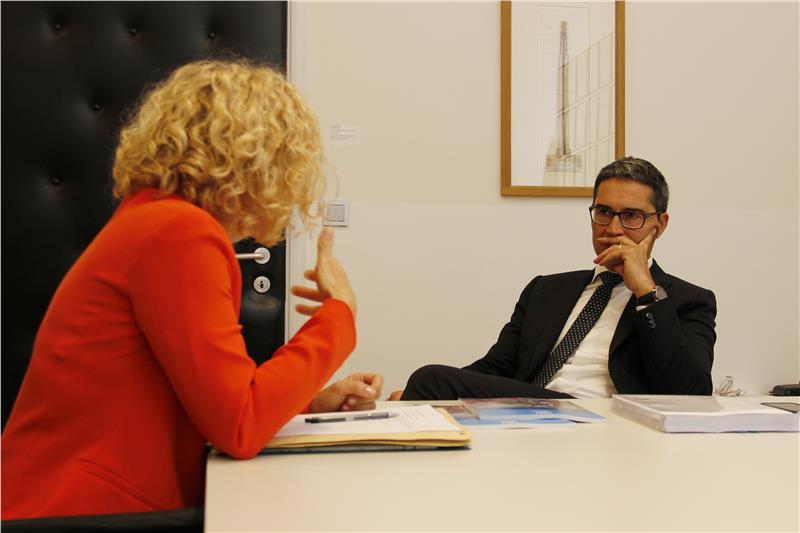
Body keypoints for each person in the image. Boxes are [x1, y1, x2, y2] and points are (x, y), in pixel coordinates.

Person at [1, 60, 381, 519]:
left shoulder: (153, 219)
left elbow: (213, 401)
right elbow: (239, 425)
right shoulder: (178, 233)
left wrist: (310, 402)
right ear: (258, 163)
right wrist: (339, 315)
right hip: (82, 511)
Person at [395, 157, 716, 401]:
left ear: (660, 225)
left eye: (631, 216)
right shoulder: (546, 290)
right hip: (530, 408)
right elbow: (496, 368)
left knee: (429, 379)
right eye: (603, 212)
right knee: (430, 383)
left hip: (609, 416)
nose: (613, 228)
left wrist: (645, 290)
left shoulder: (687, 300)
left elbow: (692, 394)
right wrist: (434, 398)